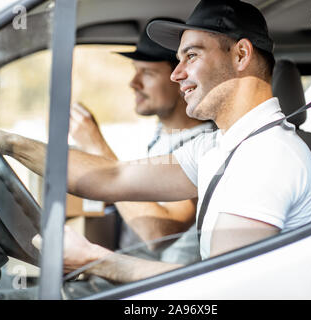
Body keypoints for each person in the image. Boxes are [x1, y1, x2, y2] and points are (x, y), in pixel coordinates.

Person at [0, 0, 311, 285]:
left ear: (241, 55)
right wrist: (11, 143)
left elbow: (217, 289)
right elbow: (111, 177)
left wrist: (95, 261)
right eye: (177, 60)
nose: (177, 74)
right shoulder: (219, 145)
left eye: (191, 55)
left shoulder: (266, 157)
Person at [68, 21, 215, 264]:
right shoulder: (162, 134)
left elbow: (157, 233)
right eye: (135, 70)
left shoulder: (206, 146)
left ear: (181, 79)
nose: (133, 83)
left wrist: (97, 146)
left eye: (147, 73)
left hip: (164, 286)